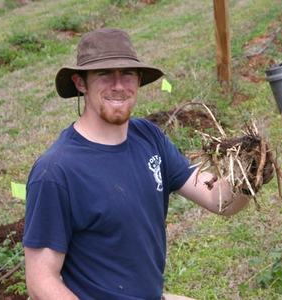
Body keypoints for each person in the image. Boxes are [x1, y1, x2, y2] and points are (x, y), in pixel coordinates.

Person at [23, 28, 249, 300]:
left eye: (127, 73)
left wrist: (249, 175)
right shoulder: (56, 171)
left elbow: (218, 199)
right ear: (80, 82)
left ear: (139, 80)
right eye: (104, 74)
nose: (118, 85)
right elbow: (41, 281)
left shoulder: (149, 138)